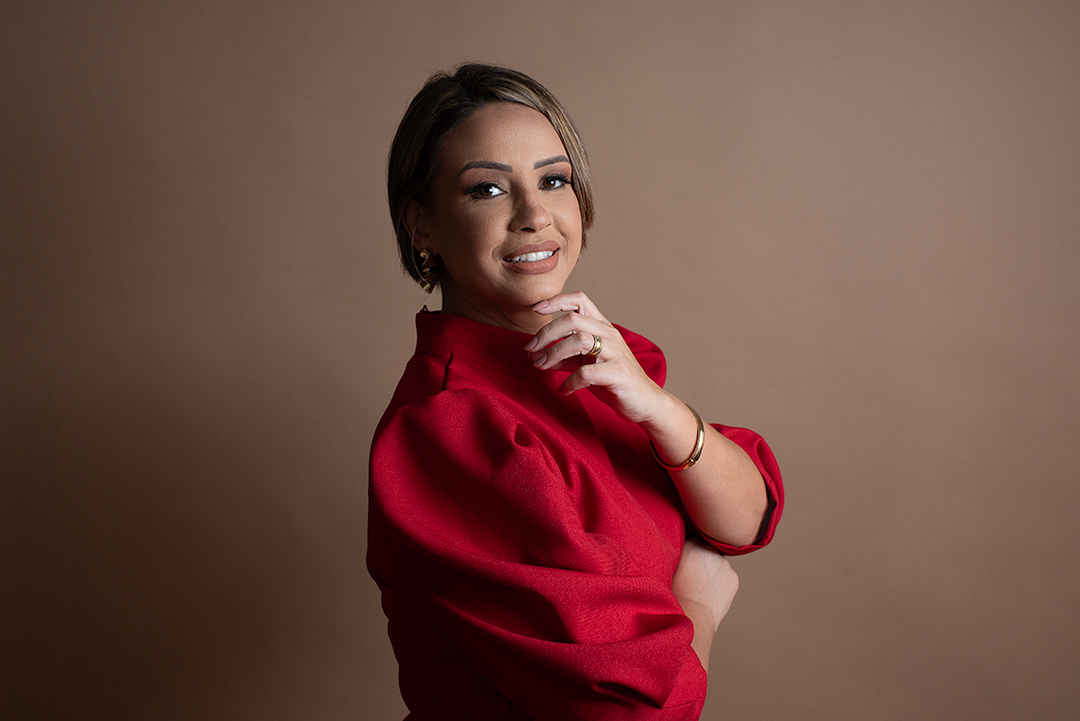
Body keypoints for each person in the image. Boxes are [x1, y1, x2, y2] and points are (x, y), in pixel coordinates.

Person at [367, 63, 784, 720]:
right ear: (423, 226)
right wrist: (698, 604)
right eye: (487, 189)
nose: (535, 215)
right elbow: (629, 712)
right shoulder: (452, 427)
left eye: (553, 180)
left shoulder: (589, 360)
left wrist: (660, 410)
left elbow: (748, 516)